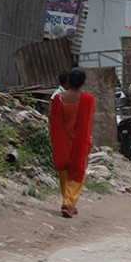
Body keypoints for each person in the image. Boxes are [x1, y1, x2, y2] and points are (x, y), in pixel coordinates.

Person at [49, 67, 95, 218]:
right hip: (79, 141)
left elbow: (53, 121)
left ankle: (68, 202)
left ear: (68, 81)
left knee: (64, 170)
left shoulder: (58, 99)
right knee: (78, 171)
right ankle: (69, 203)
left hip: (63, 140)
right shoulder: (88, 99)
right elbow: (87, 124)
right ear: (82, 82)